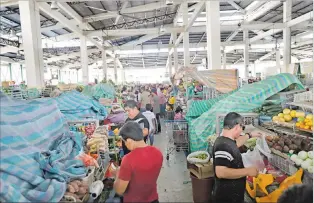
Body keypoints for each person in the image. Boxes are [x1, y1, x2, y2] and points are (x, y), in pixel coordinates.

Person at [213, 112, 262, 203]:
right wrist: (247, 171)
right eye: (242, 128)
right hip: (227, 197)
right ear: (236, 127)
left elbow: (235, 144)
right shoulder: (222, 146)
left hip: (232, 195)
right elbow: (220, 172)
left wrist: (249, 135)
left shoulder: (226, 141)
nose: (241, 131)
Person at [113, 121, 163, 203]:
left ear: (129, 140)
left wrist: (118, 175)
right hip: (153, 199)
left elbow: (119, 190)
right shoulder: (158, 152)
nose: (124, 145)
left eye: (124, 142)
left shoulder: (128, 159)